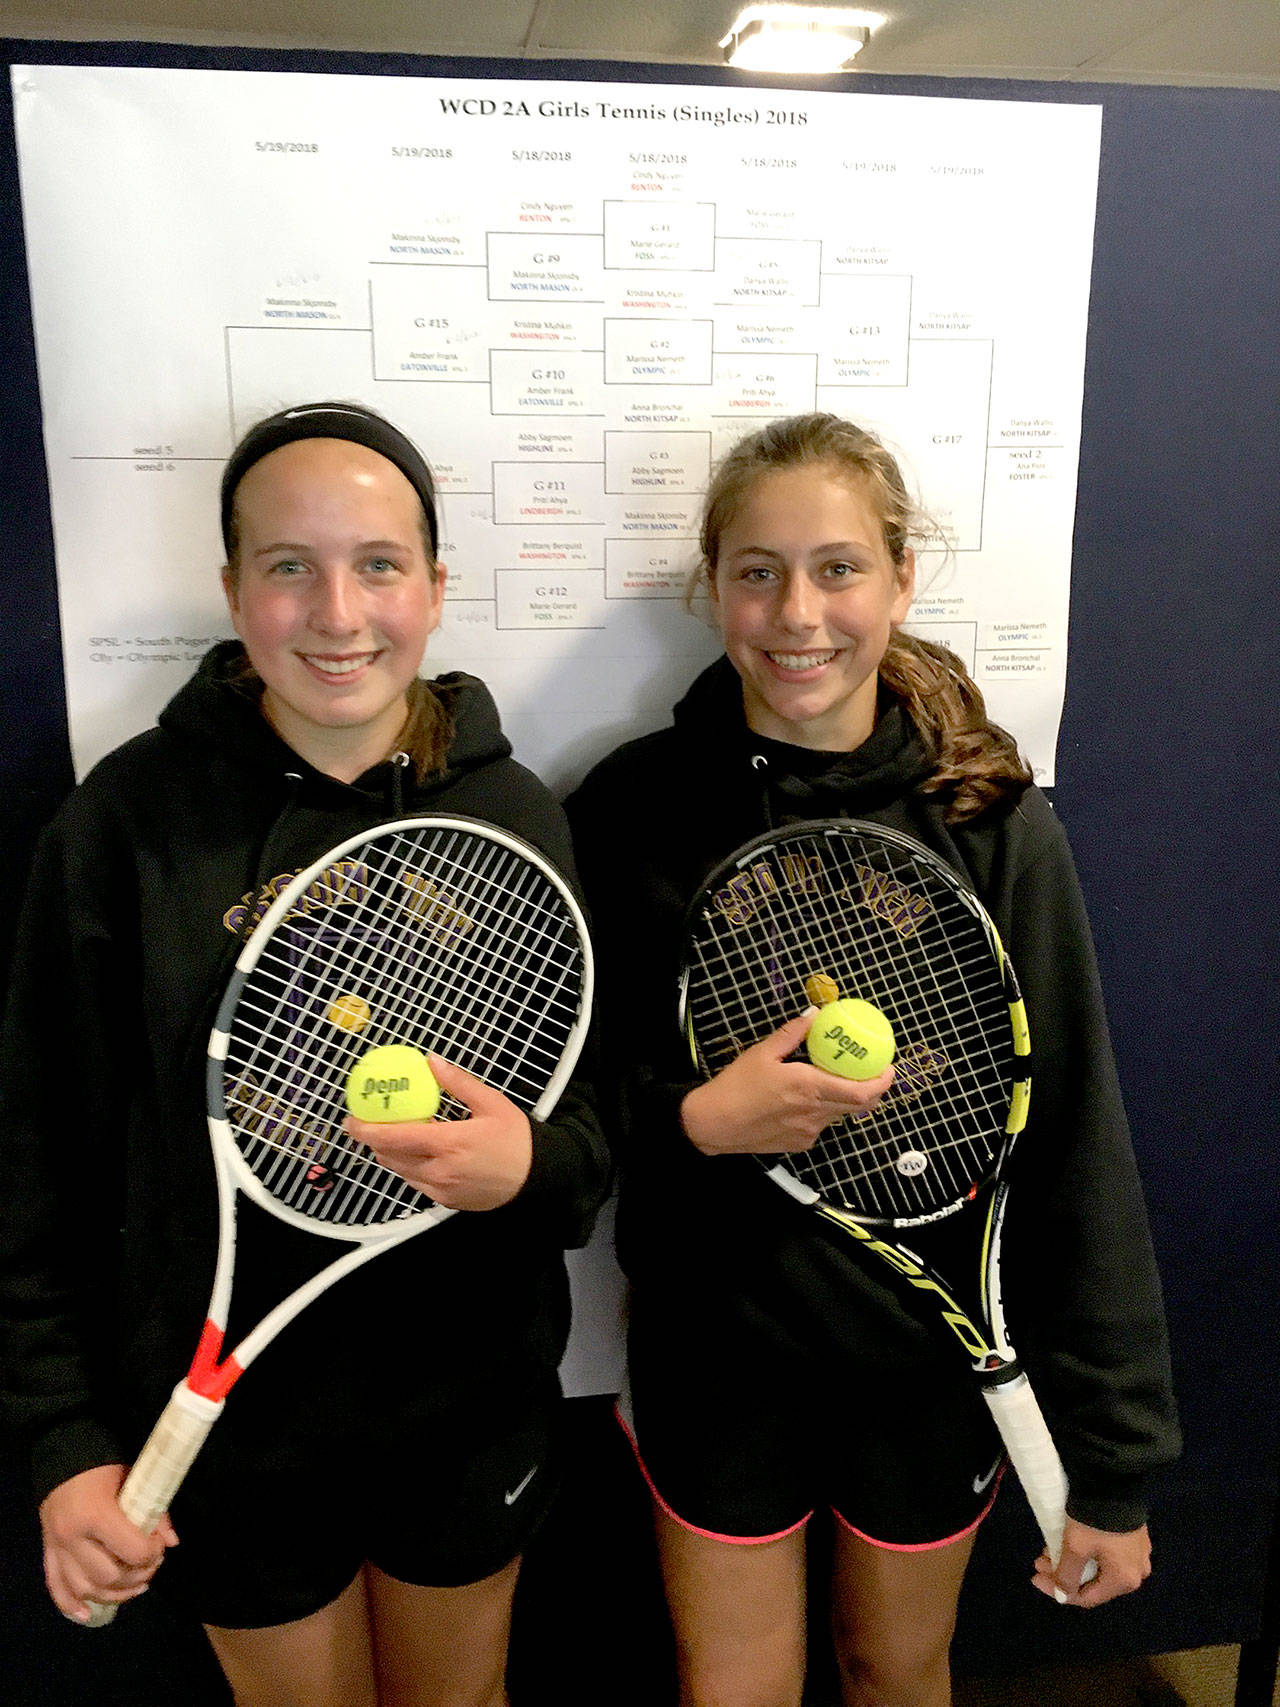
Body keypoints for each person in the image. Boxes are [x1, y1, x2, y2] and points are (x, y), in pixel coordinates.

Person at [0, 402, 608, 1707]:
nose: (338, 612)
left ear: (436, 590)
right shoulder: (122, 830)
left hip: (465, 1411)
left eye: (379, 564)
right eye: (289, 567)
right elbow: (35, 1163)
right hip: (231, 1432)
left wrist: (531, 1166)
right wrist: (65, 1444)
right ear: (232, 589)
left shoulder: (512, 818)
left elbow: (588, 1148)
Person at [565, 413, 1179, 1707]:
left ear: (902, 578)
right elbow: (564, 1120)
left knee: (895, 1672)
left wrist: (1113, 1464)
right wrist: (696, 1123)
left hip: (925, 1363)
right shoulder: (630, 814)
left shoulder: (992, 824)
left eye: (839, 567)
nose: (799, 612)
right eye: (757, 569)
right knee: (734, 1689)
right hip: (714, 1354)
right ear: (712, 583)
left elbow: (1074, 1141)